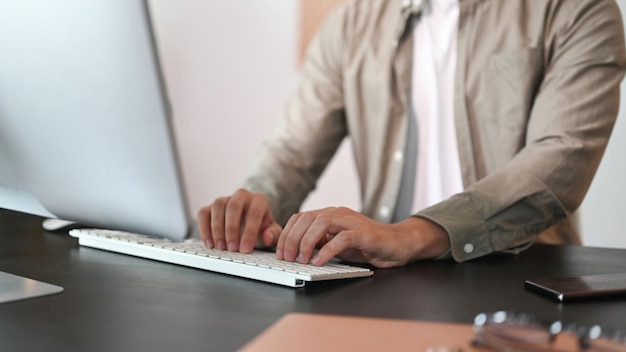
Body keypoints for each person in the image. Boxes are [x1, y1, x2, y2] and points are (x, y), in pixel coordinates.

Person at [197, 0, 626, 267]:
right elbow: (291, 153)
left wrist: (407, 235)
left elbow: (558, 161)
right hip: (376, 279)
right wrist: (252, 208)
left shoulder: (578, 9)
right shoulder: (348, 26)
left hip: (521, 277)